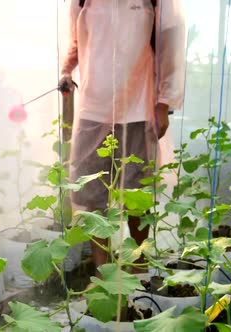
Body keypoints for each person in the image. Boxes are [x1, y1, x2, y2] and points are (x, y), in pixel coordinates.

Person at [59, 0, 186, 277]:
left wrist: (164, 103)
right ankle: (103, 272)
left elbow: (169, 43)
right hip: (94, 107)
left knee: (136, 195)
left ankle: (139, 267)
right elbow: (76, 41)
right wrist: (67, 70)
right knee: (90, 194)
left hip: (138, 107)